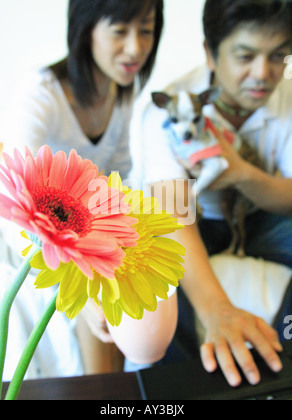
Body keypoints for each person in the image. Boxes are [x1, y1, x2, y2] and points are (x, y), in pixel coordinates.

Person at [0, 0, 164, 378]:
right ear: (85, 30)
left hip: (89, 229)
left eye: (147, 30)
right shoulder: (41, 94)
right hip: (35, 234)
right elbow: (15, 188)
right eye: (120, 31)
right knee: (98, 290)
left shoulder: (122, 92)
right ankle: (105, 390)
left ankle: (120, 389)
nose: (135, 48)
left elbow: (117, 176)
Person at [141, 0, 292, 387]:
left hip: (259, 216)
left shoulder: (288, 99)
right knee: (154, 269)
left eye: (279, 56)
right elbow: (173, 212)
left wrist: (239, 173)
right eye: (246, 56)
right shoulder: (169, 105)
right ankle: (179, 389)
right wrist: (218, 310)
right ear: (210, 51)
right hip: (195, 223)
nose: (263, 74)